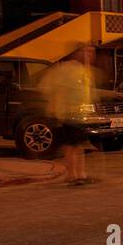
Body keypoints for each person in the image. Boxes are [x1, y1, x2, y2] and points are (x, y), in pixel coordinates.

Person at [37, 45, 96, 185]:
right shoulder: (65, 69)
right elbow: (46, 87)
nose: (90, 56)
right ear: (77, 53)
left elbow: (86, 93)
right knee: (72, 145)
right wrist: (57, 103)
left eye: (91, 53)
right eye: (86, 52)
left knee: (78, 145)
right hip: (67, 114)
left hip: (80, 115)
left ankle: (80, 174)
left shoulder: (84, 70)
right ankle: (72, 175)